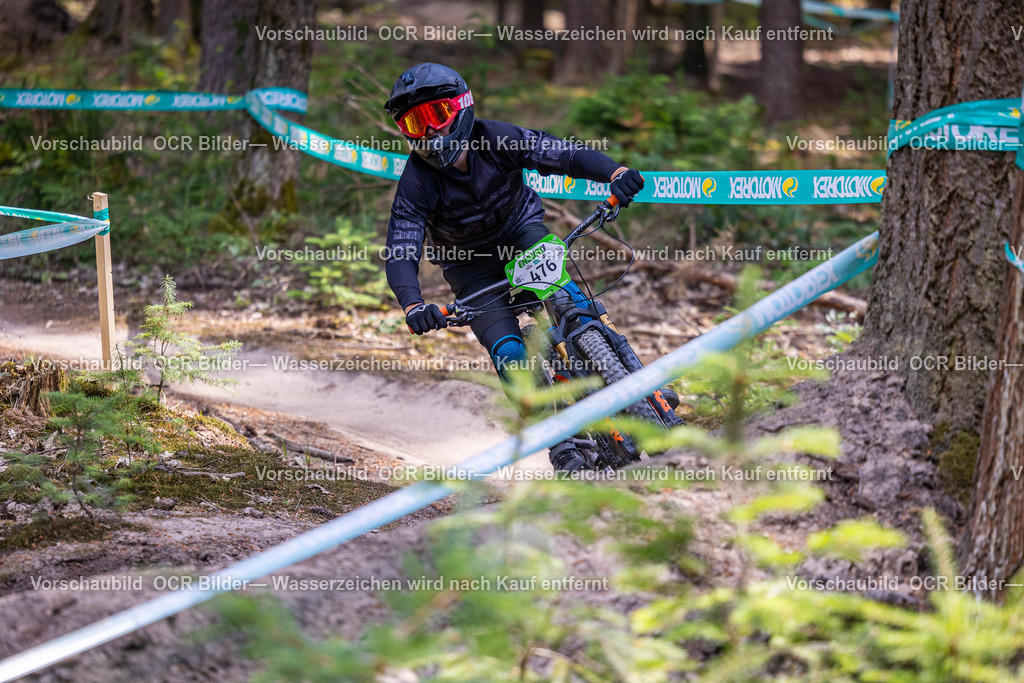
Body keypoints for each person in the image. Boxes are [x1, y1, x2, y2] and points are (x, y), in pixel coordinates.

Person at [383, 62, 647, 472]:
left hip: (519, 232)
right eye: (414, 124)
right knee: (509, 353)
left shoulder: (496, 138)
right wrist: (414, 306)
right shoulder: (416, 181)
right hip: (470, 267)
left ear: (462, 107)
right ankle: (560, 445)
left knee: (567, 298)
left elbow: (565, 156)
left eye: (436, 115)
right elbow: (402, 250)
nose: (430, 131)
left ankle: (639, 384)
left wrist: (615, 171)